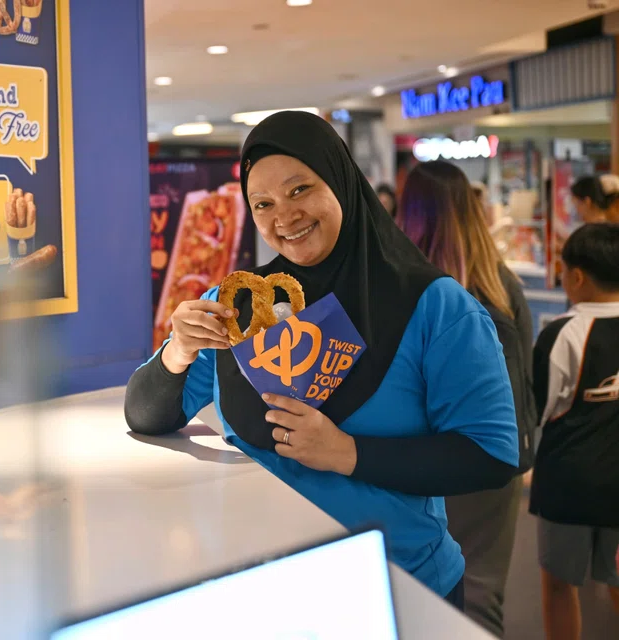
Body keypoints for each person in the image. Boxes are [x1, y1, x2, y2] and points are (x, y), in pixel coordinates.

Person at [124, 111, 519, 609]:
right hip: (264, 588)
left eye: (299, 190)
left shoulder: (436, 306)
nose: (283, 217)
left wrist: (347, 453)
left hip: (398, 589)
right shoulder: (242, 307)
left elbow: (491, 455)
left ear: (339, 181)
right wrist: (179, 350)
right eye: (262, 203)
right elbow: (145, 415)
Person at [398, 161, 535, 637]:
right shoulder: (501, 284)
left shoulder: (403, 285)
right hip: (496, 460)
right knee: (481, 593)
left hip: (422, 455)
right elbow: (525, 377)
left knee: (420, 592)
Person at [531, 223, 619, 640]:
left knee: (559, 585)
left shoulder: (562, 332)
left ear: (577, 276)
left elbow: (540, 408)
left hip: (569, 485)